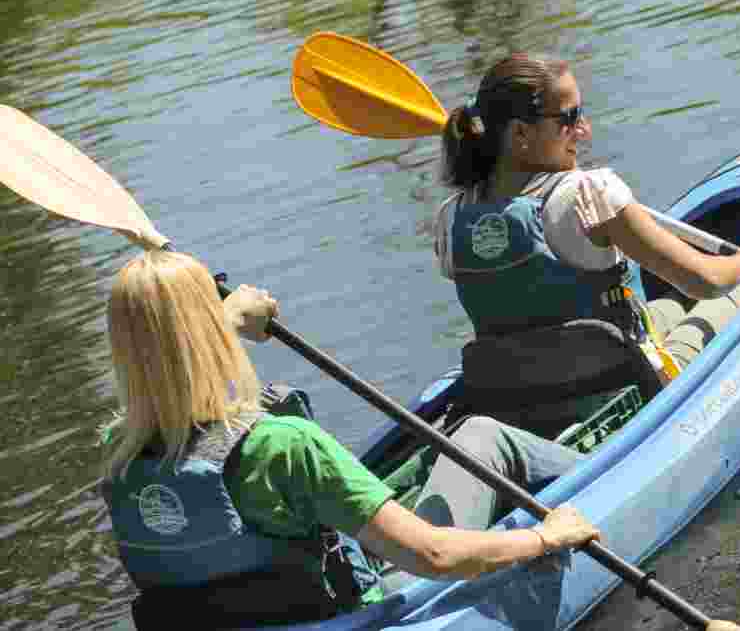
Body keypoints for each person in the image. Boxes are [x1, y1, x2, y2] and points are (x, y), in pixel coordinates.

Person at [99, 250, 597, 629]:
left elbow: (166, 360)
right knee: (482, 435)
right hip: (356, 617)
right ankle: (607, 472)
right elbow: (435, 557)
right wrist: (543, 538)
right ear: (209, 335)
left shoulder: (120, 453)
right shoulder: (285, 445)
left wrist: (223, 321)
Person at [433, 53, 740, 420]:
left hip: (521, 397)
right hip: (621, 389)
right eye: (569, 118)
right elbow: (707, 281)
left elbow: (521, 285)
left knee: (669, 308)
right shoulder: (591, 195)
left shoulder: (451, 218)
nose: (584, 130)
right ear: (520, 133)